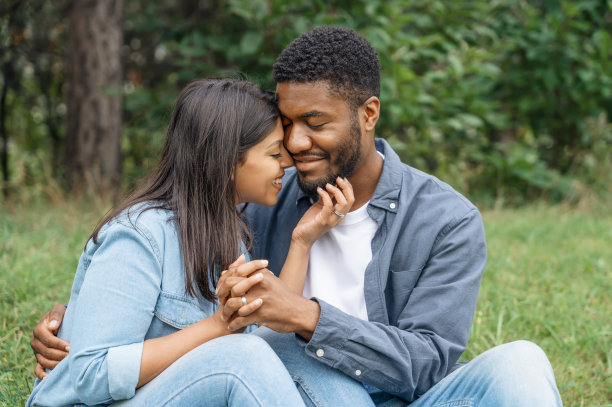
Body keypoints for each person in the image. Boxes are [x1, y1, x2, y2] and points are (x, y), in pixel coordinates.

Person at [32, 27, 563, 406]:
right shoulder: (260, 199)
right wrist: (67, 325)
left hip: (407, 398)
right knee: (278, 349)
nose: (294, 143)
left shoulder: (446, 220)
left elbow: (427, 365)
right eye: (284, 124)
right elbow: (157, 270)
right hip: (291, 393)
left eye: (314, 122)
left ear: (368, 114)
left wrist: (307, 317)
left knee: (521, 362)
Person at [26, 77, 365, 407]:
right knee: (241, 358)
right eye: (275, 154)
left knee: (297, 342)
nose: (288, 163)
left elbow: (266, 324)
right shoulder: (139, 234)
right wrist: (217, 326)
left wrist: (302, 241)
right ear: (228, 159)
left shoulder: (225, 232)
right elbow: (93, 374)